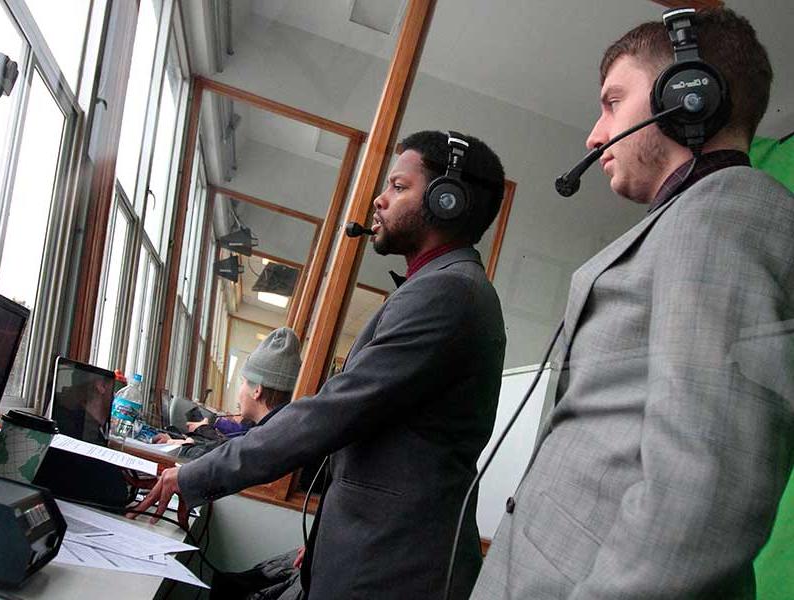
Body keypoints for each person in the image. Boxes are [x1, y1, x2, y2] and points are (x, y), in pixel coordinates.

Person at [473, 8, 793, 599]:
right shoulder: (688, 219)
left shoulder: (730, 212)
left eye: (612, 102)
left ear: (688, 96)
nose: (595, 136)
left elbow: (705, 495)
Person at [131, 130, 508, 599]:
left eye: (397, 186)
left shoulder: (446, 294)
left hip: (393, 569)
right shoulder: (443, 288)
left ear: (446, 200)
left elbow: (328, 416)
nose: (378, 200)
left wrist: (195, 475)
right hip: (378, 553)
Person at [153, 327, 301, 460]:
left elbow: (225, 460)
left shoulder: (265, 439)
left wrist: (182, 446)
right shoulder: (277, 431)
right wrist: (187, 444)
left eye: (243, 382)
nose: (240, 389)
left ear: (257, 390)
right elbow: (227, 449)